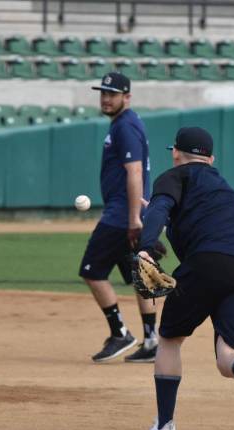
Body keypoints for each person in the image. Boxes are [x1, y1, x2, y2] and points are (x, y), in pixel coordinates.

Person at [133, 127, 234, 430]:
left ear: (175, 154)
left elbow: (158, 210)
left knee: (170, 339)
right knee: (228, 356)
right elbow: (196, 219)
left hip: (210, 262)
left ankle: (165, 429)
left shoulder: (175, 176)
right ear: (210, 159)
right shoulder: (221, 186)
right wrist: (166, 217)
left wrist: (146, 246)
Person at [79, 72, 159, 363]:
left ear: (127, 97)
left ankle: (120, 333)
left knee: (92, 271)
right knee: (139, 274)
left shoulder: (125, 126)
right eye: (103, 93)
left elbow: (134, 171)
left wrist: (134, 219)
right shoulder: (127, 123)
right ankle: (152, 340)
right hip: (130, 212)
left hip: (121, 216)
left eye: (112, 94)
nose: (105, 98)